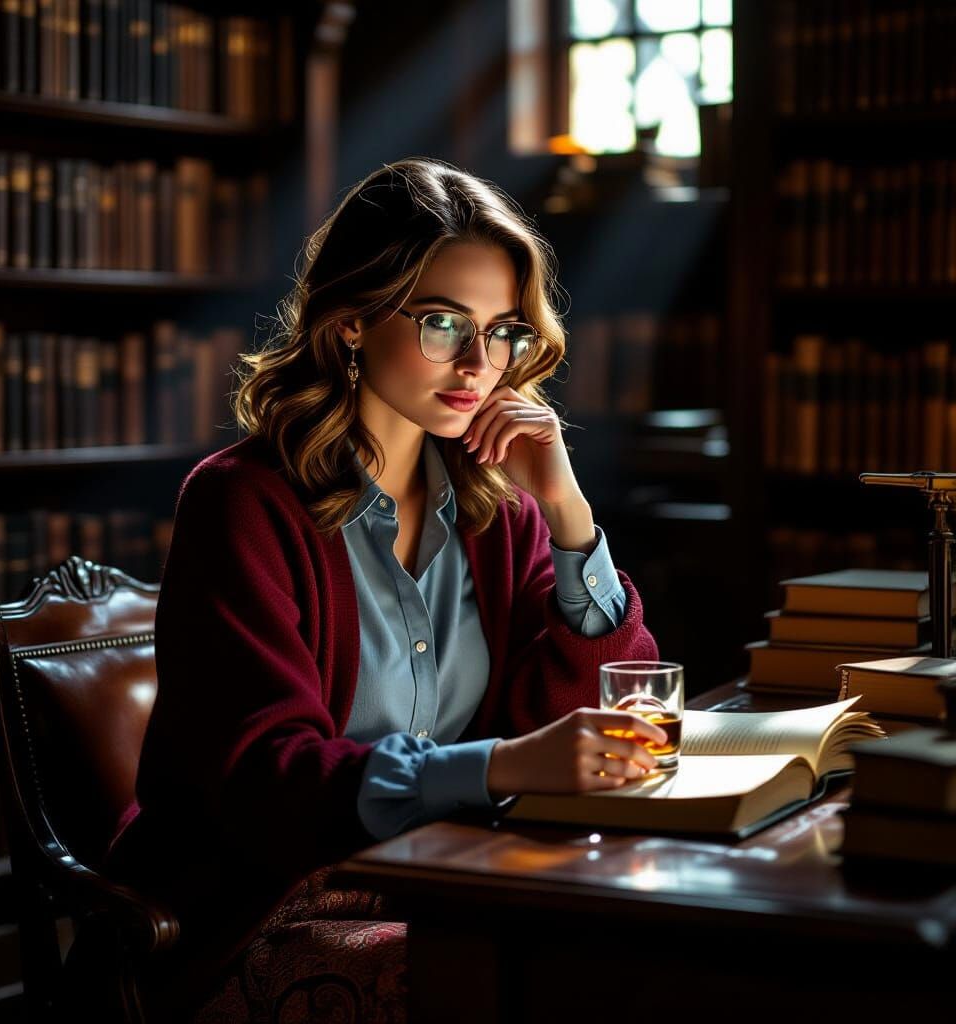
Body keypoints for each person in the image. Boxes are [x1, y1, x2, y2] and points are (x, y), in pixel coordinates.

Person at [102, 157, 663, 1022]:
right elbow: (265, 784)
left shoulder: (498, 509)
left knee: (642, 958)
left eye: (506, 330)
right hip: (261, 912)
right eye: (444, 323)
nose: (481, 363)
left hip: (446, 878)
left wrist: (569, 512)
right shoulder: (242, 502)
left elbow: (587, 714)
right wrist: (503, 766)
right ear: (355, 320)